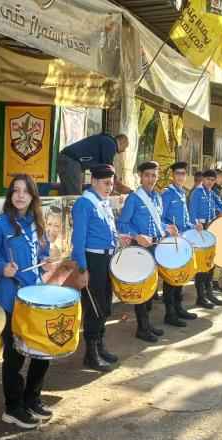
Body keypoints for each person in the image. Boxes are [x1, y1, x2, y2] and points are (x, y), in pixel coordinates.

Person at [0, 174, 54, 429]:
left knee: (43, 351)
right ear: (10, 195)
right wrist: (1, 267)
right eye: (15, 191)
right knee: (15, 356)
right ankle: (13, 407)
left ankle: (32, 399)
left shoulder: (37, 223)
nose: (20, 195)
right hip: (10, 299)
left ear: (33, 196)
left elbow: (43, 253)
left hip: (37, 298)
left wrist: (46, 262)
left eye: (26, 191)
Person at [71, 164, 132, 371]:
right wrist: (82, 269)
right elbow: (78, 240)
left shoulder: (102, 202)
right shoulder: (85, 203)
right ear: (94, 181)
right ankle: (91, 354)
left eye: (112, 183)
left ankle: (100, 345)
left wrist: (118, 239)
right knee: (94, 308)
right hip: (93, 260)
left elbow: (106, 231)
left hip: (107, 260)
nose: (109, 187)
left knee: (105, 305)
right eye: (106, 183)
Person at [118, 161, 179, 341]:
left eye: (154, 175)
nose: (150, 179)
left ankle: (147, 324)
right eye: (147, 175)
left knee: (152, 289)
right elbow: (122, 224)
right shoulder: (134, 198)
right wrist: (136, 236)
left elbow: (157, 222)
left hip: (155, 247)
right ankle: (142, 328)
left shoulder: (158, 198)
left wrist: (168, 228)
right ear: (140, 176)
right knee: (142, 289)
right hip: (139, 249)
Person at [161, 161, 201, 321]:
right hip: (171, 241)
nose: (180, 176)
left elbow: (184, 221)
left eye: (183, 174)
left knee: (181, 276)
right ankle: (169, 312)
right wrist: (167, 227)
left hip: (183, 240)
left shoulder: (182, 193)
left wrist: (194, 226)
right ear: (172, 176)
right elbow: (160, 218)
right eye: (178, 173)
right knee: (171, 277)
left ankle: (178, 307)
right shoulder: (167, 194)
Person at [188, 169, 222, 308]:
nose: (210, 182)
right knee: (202, 265)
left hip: (211, 228)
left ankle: (209, 293)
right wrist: (196, 224)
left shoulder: (211, 193)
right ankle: (201, 297)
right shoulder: (197, 193)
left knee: (210, 263)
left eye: (212, 180)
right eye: (208, 180)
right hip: (200, 230)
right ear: (203, 179)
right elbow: (192, 213)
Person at [57, 133, 130, 195]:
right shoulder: (111, 144)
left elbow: (100, 170)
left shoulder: (105, 140)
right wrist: (122, 188)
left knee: (66, 194)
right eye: (125, 147)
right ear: (122, 142)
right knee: (74, 196)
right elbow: (108, 170)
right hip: (71, 161)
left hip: (64, 158)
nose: (124, 151)